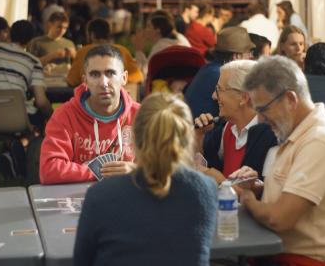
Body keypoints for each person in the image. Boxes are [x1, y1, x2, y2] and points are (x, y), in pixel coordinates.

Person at [231, 55, 325, 265]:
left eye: (263, 109)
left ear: (290, 99)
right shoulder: (297, 131)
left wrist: (248, 199)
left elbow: (279, 218)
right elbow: (289, 194)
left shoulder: (319, 140)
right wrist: (260, 188)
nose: (260, 119)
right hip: (284, 254)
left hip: (309, 260)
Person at [74, 93, 217, 266]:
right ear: (187, 138)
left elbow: (82, 260)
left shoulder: (100, 196)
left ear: (134, 137)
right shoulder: (206, 190)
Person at [39, 45, 140, 184]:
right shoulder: (64, 115)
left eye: (110, 73)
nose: (103, 83)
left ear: (124, 78)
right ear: (85, 80)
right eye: (95, 74)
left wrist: (136, 171)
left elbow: (166, 167)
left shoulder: (142, 116)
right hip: (78, 199)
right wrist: (100, 172)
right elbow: (49, 170)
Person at [194, 60, 277, 184]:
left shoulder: (273, 137)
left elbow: (265, 194)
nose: (214, 96)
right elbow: (201, 168)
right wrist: (199, 136)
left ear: (243, 97)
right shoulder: (226, 127)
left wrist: (222, 182)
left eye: (219, 89)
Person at [0, 20, 53, 129]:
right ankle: (28, 141)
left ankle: (15, 142)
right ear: (31, 40)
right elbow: (41, 102)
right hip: (19, 116)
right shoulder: (33, 61)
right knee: (42, 114)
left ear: (10, 34)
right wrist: (53, 114)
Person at [184, 27, 255, 118]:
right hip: (202, 130)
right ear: (236, 56)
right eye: (249, 53)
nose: (250, 57)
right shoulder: (223, 77)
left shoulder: (208, 69)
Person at [66, 18, 143, 87]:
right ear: (108, 34)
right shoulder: (123, 50)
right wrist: (116, 82)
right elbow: (137, 77)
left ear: (91, 35)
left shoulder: (83, 52)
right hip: (118, 99)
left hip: (91, 100)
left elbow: (72, 81)